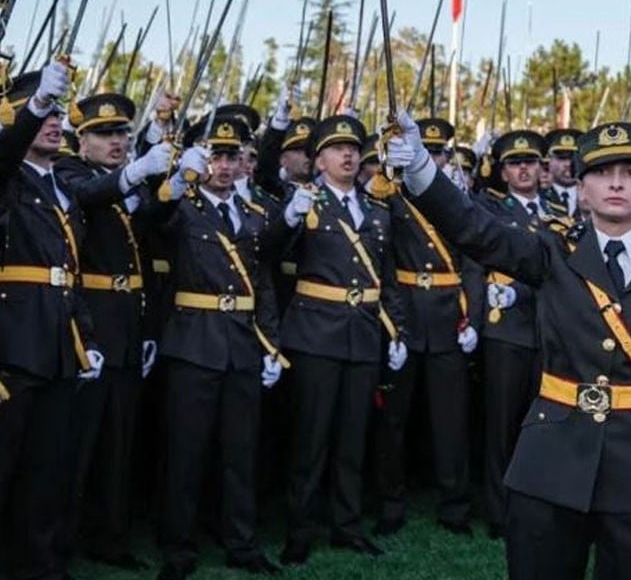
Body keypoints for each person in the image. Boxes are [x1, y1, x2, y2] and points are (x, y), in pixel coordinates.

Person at [386, 112, 631, 580]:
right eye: (601, 173)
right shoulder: (552, 251)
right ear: (581, 189)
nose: (616, 184)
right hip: (550, 460)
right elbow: (475, 229)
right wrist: (421, 172)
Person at [0, 60, 100, 579]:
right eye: (36, 113)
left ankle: (39, 564)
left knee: (48, 469)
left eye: (53, 113)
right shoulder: (1, 174)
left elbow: (70, 271)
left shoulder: (60, 186)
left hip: (58, 341)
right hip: (16, 341)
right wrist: (36, 104)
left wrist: (85, 337)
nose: (52, 122)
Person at [274, 114, 409, 564]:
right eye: (336, 148)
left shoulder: (376, 208)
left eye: (353, 148)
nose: (348, 155)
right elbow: (269, 253)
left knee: (354, 438)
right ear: (318, 160)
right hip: (316, 332)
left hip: (363, 333)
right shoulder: (305, 203)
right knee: (310, 439)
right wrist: (288, 219)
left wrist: (397, 329)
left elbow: (387, 277)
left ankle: (346, 525)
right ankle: (300, 528)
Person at [155, 113, 283, 579]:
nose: (224, 166)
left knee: (239, 452)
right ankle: (179, 548)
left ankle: (241, 543)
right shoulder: (182, 205)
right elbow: (154, 218)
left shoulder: (254, 215)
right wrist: (176, 176)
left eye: (231, 157)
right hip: (194, 341)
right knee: (186, 452)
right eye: (215, 156)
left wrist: (272, 343)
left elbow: (263, 283)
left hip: (242, 343)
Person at [55, 93, 172, 568]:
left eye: (123, 133)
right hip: (91, 324)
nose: (117, 142)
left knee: (118, 444)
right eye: (105, 134)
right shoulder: (70, 173)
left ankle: (110, 538)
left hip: (126, 323)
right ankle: (61, 544)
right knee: (77, 446)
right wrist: (138, 171)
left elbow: (151, 225)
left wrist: (173, 181)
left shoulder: (126, 184)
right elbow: (90, 196)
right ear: (81, 140)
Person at [372, 117, 484, 538]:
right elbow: (381, 263)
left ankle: (455, 506)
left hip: (447, 318)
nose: (434, 159)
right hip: (405, 313)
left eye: (439, 153)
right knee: (394, 420)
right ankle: (390, 503)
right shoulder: (391, 196)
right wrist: (394, 324)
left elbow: (473, 262)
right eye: (428, 152)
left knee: (451, 422)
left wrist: (472, 318)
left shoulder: (453, 200)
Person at [473, 129, 549, 538]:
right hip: (508, 328)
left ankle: (535, 504)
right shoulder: (492, 207)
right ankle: (499, 511)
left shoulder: (555, 208)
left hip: (548, 329)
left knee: (541, 426)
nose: (524, 169)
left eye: (531, 162)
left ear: (541, 168)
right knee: (501, 426)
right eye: (515, 163)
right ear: (502, 171)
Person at [543, 128, 582, 218]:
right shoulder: (538, 198)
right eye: (562, 158)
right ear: (549, 161)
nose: (568, 164)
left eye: (573, 158)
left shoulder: (592, 198)